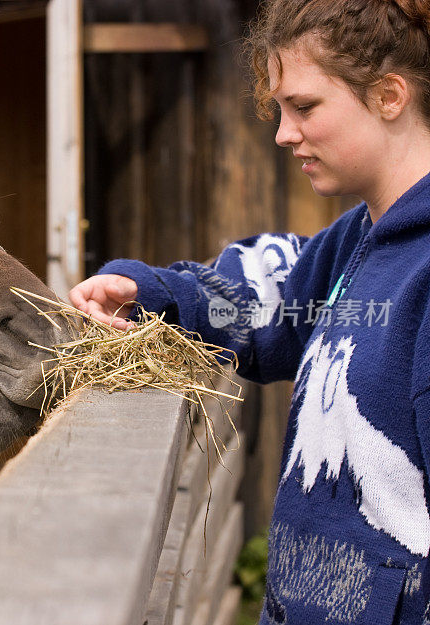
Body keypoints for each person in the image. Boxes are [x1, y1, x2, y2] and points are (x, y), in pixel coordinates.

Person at [69, 1, 430, 623]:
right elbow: (269, 317)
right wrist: (149, 292)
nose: (284, 132)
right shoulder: (352, 243)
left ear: (390, 95)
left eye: (305, 106)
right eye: (280, 110)